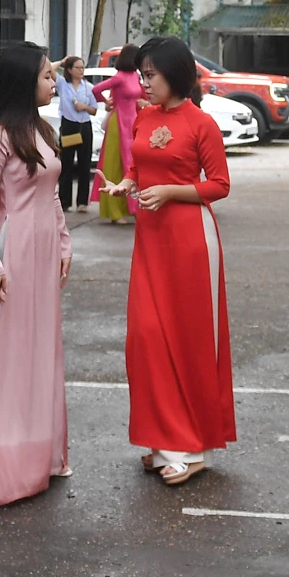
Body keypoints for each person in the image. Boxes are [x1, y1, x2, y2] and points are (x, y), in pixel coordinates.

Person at [102, 35, 233, 485]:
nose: (143, 83)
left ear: (175, 74)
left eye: (151, 75)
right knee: (147, 338)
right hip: (151, 240)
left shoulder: (202, 123)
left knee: (189, 340)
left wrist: (171, 192)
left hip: (191, 240)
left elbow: (219, 184)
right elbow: (140, 166)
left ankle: (193, 448)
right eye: (142, 75)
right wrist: (127, 184)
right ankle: (162, 439)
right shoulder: (144, 116)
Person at [0, 43, 73, 505]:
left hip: (45, 246)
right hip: (14, 248)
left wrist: (65, 239)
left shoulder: (41, 130)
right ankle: (10, 462)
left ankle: (42, 451)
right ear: (22, 82)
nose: (54, 82)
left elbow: (51, 194)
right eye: (47, 75)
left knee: (42, 346)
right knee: (13, 351)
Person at [92, 47, 144, 225]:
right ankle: (114, 211)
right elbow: (96, 89)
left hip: (134, 122)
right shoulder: (120, 76)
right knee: (115, 165)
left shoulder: (136, 76)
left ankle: (132, 208)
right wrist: (106, 101)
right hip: (119, 122)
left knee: (132, 166)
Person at [53, 55, 97, 213]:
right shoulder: (63, 84)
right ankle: (65, 200)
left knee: (85, 163)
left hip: (84, 125)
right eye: (77, 67)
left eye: (82, 67)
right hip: (69, 125)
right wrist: (62, 61)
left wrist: (84, 106)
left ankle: (82, 202)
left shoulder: (88, 87)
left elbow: (94, 110)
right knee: (67, 163)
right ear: (70, 70)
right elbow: (50, 69)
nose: (81, 71)